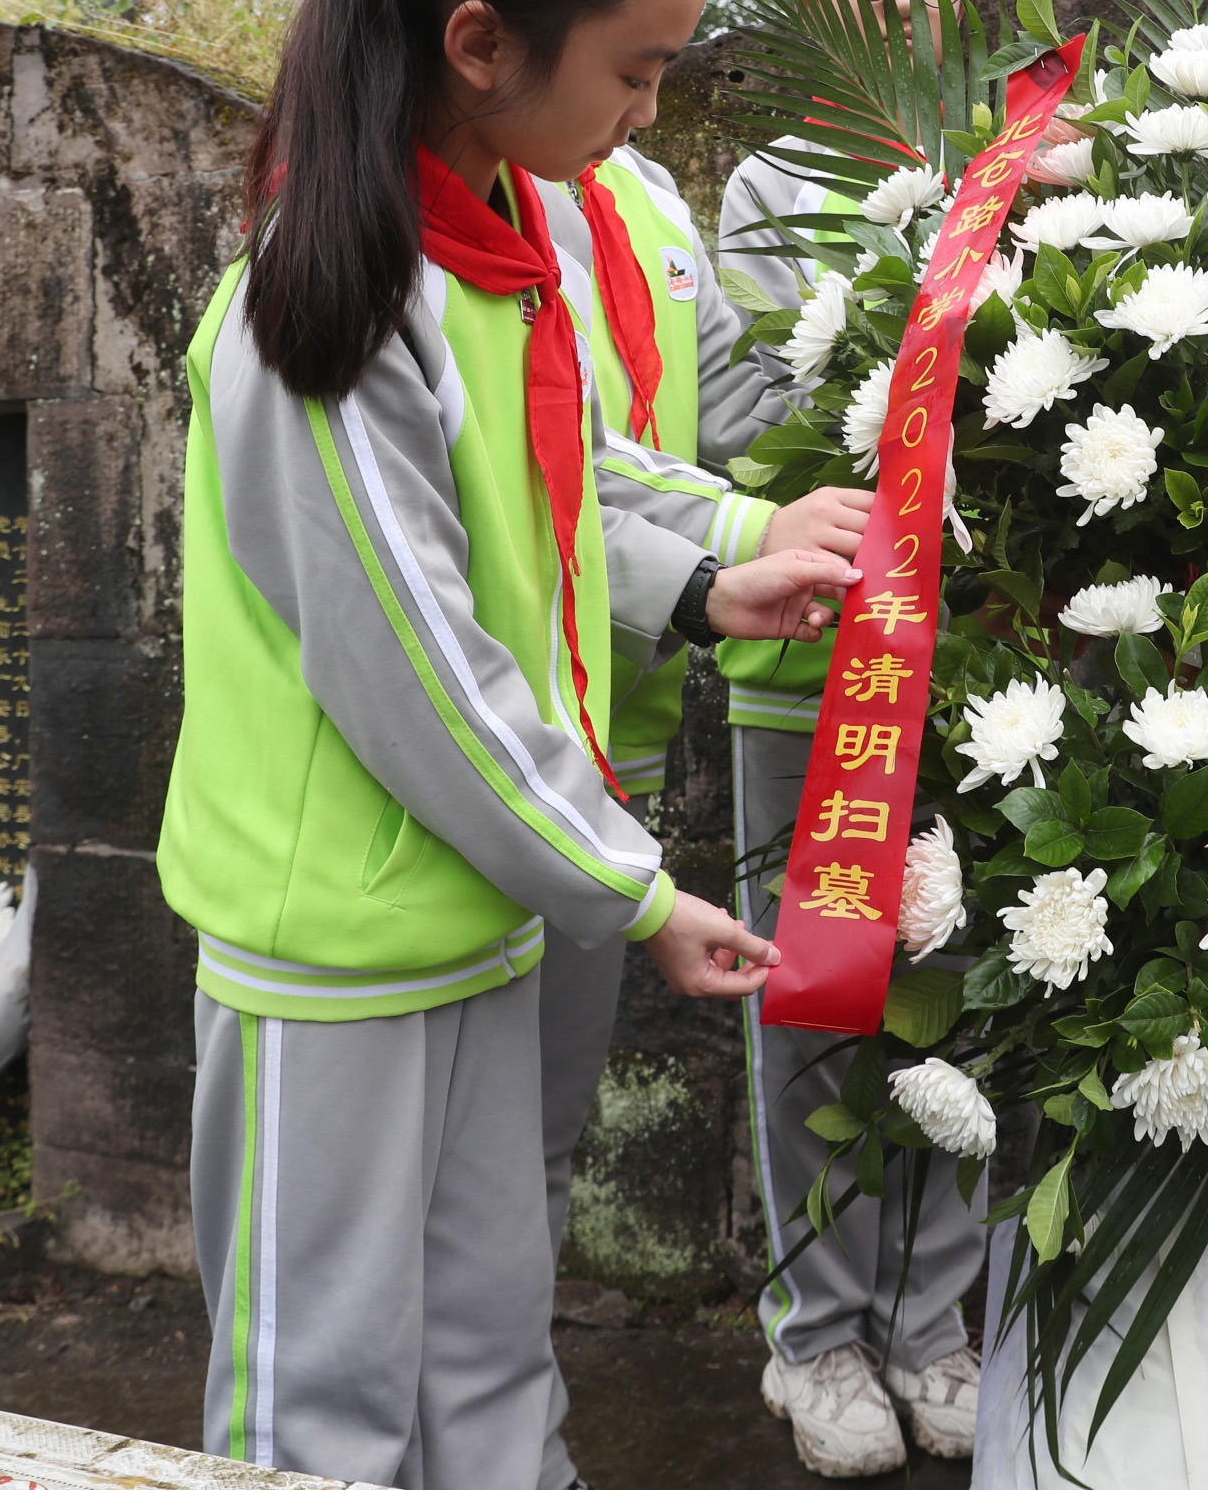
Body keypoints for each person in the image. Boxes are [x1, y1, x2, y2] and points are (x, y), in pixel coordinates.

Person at [157, 0, 858, 1489]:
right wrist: (631, 887)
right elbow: (418, 667)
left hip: (477, 902)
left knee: (487, 1350)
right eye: (635, 70)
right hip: (333, 942)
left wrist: (727, 557)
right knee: (315, 1402)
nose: (645, 112)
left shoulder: (506, 235)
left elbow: (570, 463)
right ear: (481, 42)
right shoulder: (325, 301)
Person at [523, 134, 871, 1490]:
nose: (644, 97)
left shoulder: (649, 193)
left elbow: (729, 391)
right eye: (632, 62)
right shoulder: (447, 206)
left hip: (627, 703)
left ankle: (513, 1439)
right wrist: (736, 541)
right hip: (533, 695)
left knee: (537, 1143)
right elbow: (555, 455)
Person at [715, 0, 989, 1480]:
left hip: (981, 663)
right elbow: (741, 419)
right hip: (813, 658)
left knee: (962, 986)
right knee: (814, 1001)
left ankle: (933, 1322)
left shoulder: (1007, 176)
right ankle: (816, 1339)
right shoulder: (768, 187)